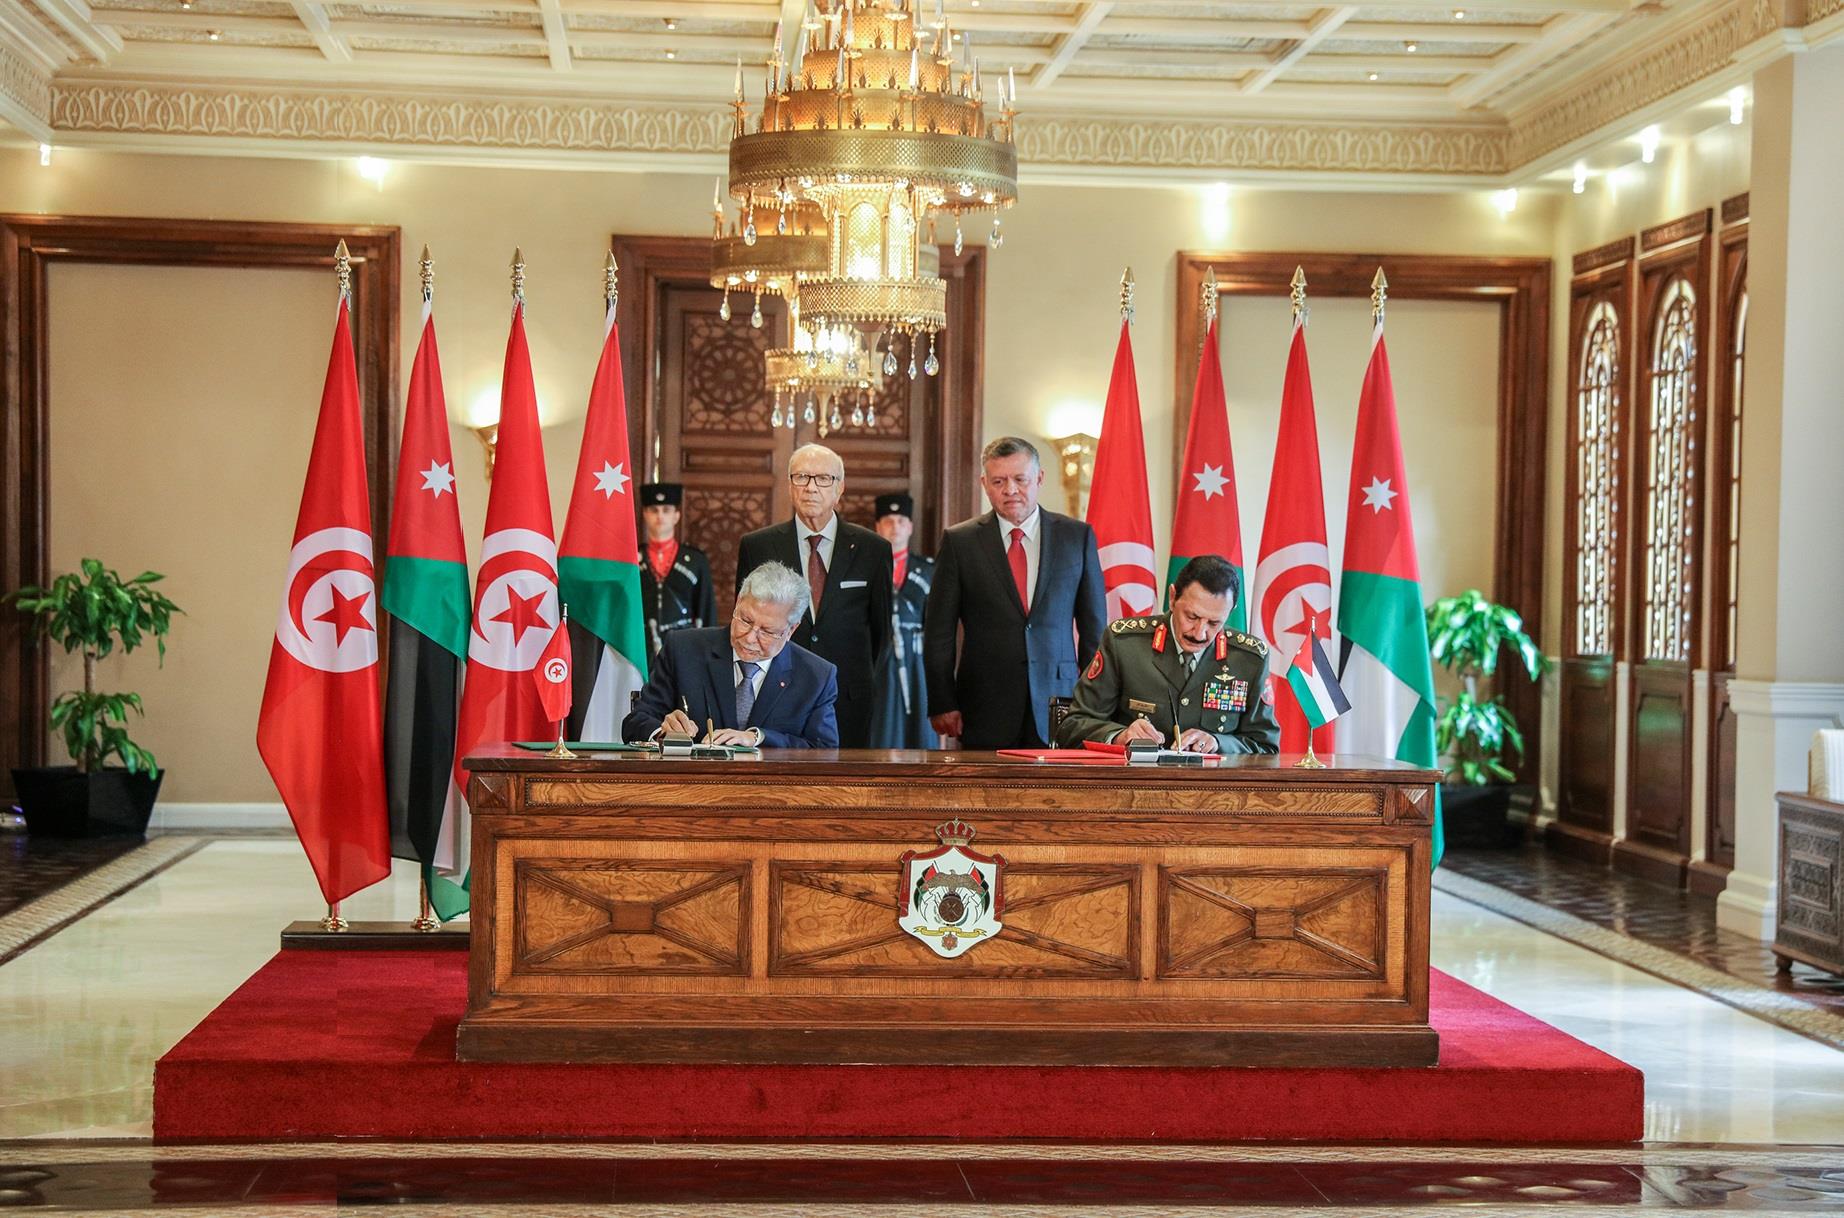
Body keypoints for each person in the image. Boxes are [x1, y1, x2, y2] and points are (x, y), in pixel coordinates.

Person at [924, 436, 1107, 749]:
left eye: (1020, 479)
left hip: (1061, 703)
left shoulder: (1076, 537)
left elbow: (1094, 628)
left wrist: (1094, 702)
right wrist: (942, 701)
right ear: (984, 483)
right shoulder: (960, 542)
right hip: (983, 704)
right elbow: (938, 631)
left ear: (1039, 478)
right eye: (999, 481)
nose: (1010, 490)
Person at [736, 444, 892, 748]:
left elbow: (881, 634)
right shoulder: (759, 546)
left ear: (840, 487)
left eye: (823, 479)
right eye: (802, 477)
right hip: (776, 693)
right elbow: (744, 623)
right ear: (790, 485)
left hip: (849, 696)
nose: (811, 488)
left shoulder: (873, 549)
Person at [1055, 555, 1279, 755]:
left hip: (1214, 787)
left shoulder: (1249, 660)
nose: (1200, 633)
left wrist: (1218, 742)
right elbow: (1071, 726)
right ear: (1172, 598)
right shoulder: (1124, 644)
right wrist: (1119, 736)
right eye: (1192, 617)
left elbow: (1266, 746)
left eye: (1214, 623)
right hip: (1136, 784)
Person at [623, 562, 838, 749]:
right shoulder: (683, 649)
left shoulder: (816, 676)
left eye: (767, 631)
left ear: (791, 630)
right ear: (738, 602)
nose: (750, 638)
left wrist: (758, 738)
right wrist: (663, 731)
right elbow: (635, 722)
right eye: (745, 620)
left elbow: (824, 749)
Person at [867, 492, 937, 749]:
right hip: (878, 660)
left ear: (910, 527)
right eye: (888, 521)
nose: (894, 527)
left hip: (917, 658)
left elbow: (937, 624)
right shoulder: (866, 568)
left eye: (901, 521)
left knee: (919, 728)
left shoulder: (929, 570)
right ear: (878, 527)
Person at [637, 481, 716, 664]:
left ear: (676, 516)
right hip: (641, 646)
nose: (660, 516)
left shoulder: (696, 560)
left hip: (684, 647)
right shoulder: (632, 558)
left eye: (666, 510)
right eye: (654, 510)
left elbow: (706, 609)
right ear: (645, 514)